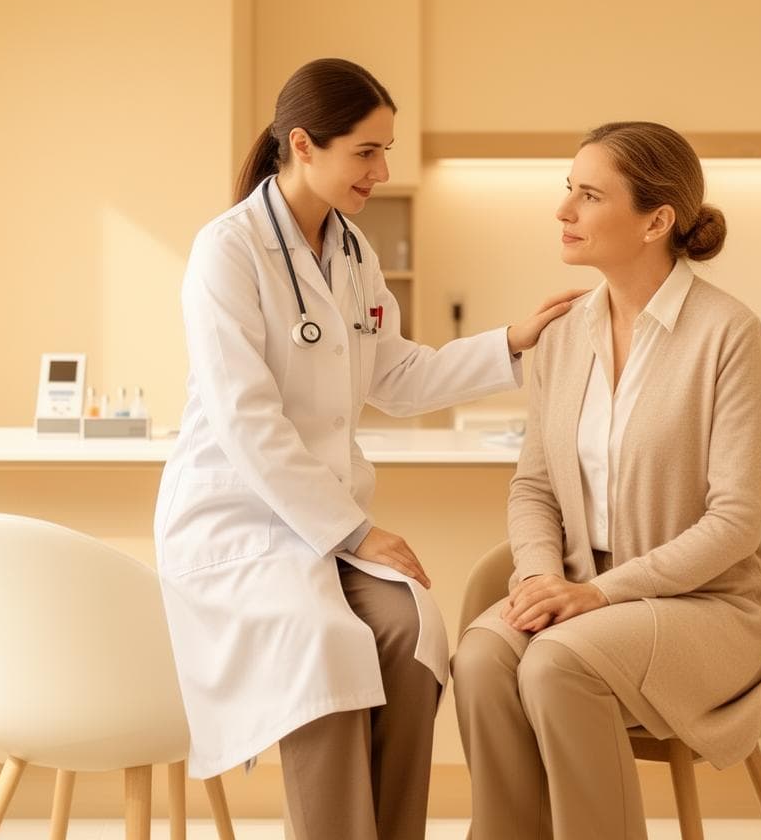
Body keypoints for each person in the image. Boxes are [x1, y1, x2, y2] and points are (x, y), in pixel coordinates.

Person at [154, 57, 581, 840]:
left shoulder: (351, 252)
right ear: (305, 145)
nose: (382, 170)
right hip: (237, 523)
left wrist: (510, 343)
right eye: (367, 151)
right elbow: (248, 422)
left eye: (387, 150)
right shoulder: (228, 251)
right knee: (322, 651)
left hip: (319, 529)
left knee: (413, 636)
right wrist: (357, 531)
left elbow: (400, 375)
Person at [451, 121, 761, 840]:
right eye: (567, 190)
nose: (564, 210)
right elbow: (534, 487)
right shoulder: (563, 334)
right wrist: (543, 580)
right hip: (578, 590)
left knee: (554, 667)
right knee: (480, 659)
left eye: (590, 195)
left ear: (656, 221)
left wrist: (597, 593)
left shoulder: (728, 332)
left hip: (705, 606)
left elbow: (735, 521)